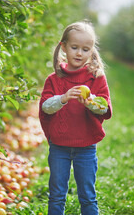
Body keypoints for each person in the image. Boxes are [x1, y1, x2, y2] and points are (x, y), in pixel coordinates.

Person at [39, 20, 112, 215]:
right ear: (63, 47)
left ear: (92, 51)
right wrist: (62, 98)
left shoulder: (95, 77)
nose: (80, 53)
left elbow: (104, 107)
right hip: (59, 147)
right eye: (74, 47)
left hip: (86, 147)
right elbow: (45, 107)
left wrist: (90, 102)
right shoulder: (54, 79)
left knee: (88, 195)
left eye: (85, 49)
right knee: (56, 194)